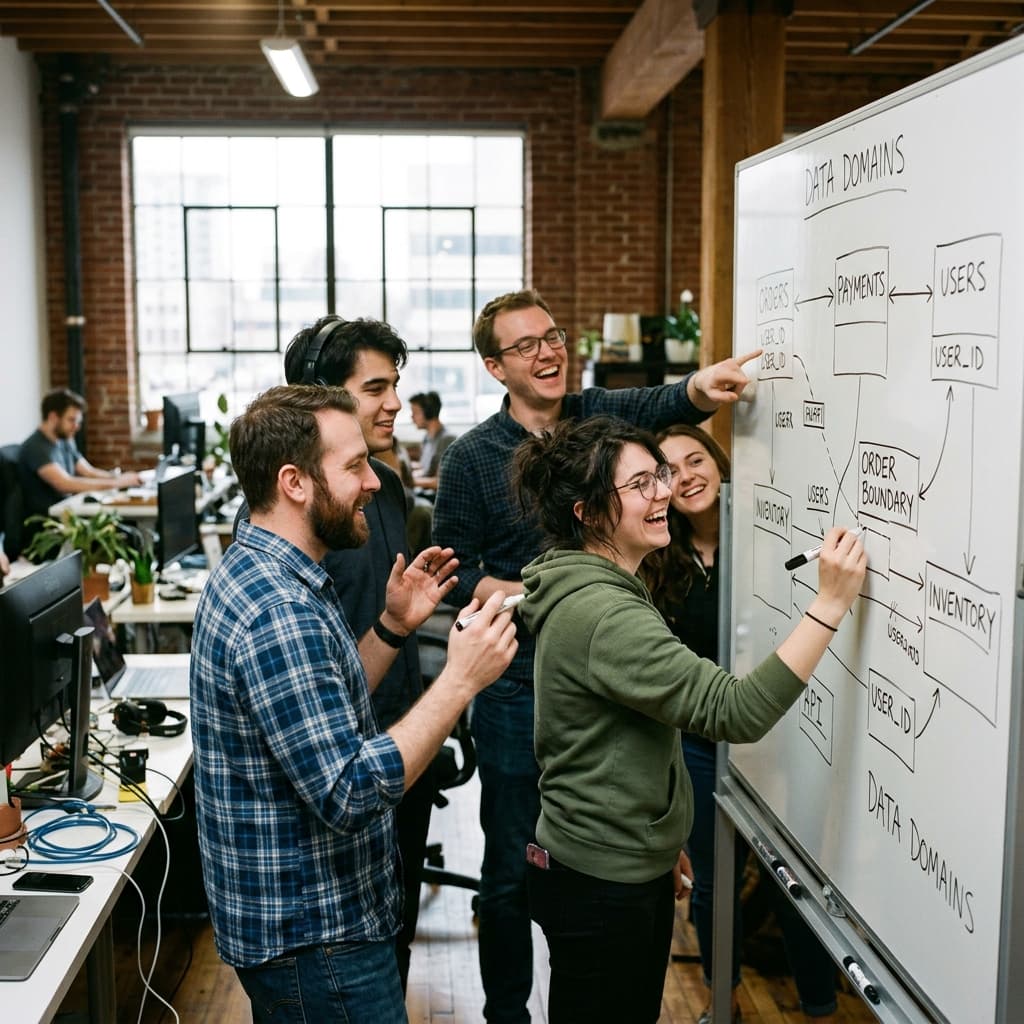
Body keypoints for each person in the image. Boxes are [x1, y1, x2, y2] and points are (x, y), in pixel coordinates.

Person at [431, 287, 761, 1023]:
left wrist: (700, 386)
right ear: (495, 367)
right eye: (525, 345)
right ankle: (507, 1013)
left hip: (607, 677)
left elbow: (658, 402)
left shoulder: (594, 419)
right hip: (516, 687)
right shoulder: (471, 458)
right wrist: (541, 595)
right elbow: (455, 569)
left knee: (600, 857)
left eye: (553, 336)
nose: (547, 352)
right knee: (512, 870)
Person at [510, 415, 866, 1024]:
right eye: (641, 484)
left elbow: (622, 736)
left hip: (609, 858)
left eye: (659, 476)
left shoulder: (596, 584)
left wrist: (658, 840)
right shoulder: (606, 613)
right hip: (602, 881)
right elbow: (736, 710)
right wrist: (830, 603)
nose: (664, 492)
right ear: (588, 513)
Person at [191, 384, 518, 1023]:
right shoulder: (279, 612)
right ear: (294, 482)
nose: (372, 482)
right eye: (354, 465)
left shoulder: (272, 571)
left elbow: (323, 712)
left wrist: (393, 626)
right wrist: (459, 681)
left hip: (310, 933)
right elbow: (349, 790)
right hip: (318, 943)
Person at [641, 424, 839, 1024]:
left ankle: (820, 1006)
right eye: (669, 470)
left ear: (719, 463)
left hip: (782, 731)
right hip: (700, 738)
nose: (686, 477)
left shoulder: (769, 537)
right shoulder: (657, 557)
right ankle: (720, 1002)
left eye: (696, 460)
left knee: (794, 876)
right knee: (712, 877)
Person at [264, 314, 435, 990]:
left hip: (403, 736)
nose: (394, 403)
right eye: (375, 389)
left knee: (397, 933)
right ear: (322, 400)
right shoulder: (295, 514)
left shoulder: (383, 484)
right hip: (341, 757)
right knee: (353, 957)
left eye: (394, 385)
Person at [19, 388, 142, 531]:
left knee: (127, 525)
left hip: (69, 515)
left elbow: (88, 471)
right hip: (49, 527)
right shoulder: (36, 447)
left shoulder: (64, 440)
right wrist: (116, 483)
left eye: (78, 421)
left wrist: (119, 478)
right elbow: (65, 483)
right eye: (71, 420)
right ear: (53, 417)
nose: (76, 427)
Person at [408, 391, 454, 493]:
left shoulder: (447, 440)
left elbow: (439, 482)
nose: (412, 417)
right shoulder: (427, 438)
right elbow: (425, 468)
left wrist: (408, 481)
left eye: (415, 413)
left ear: (428, 413)